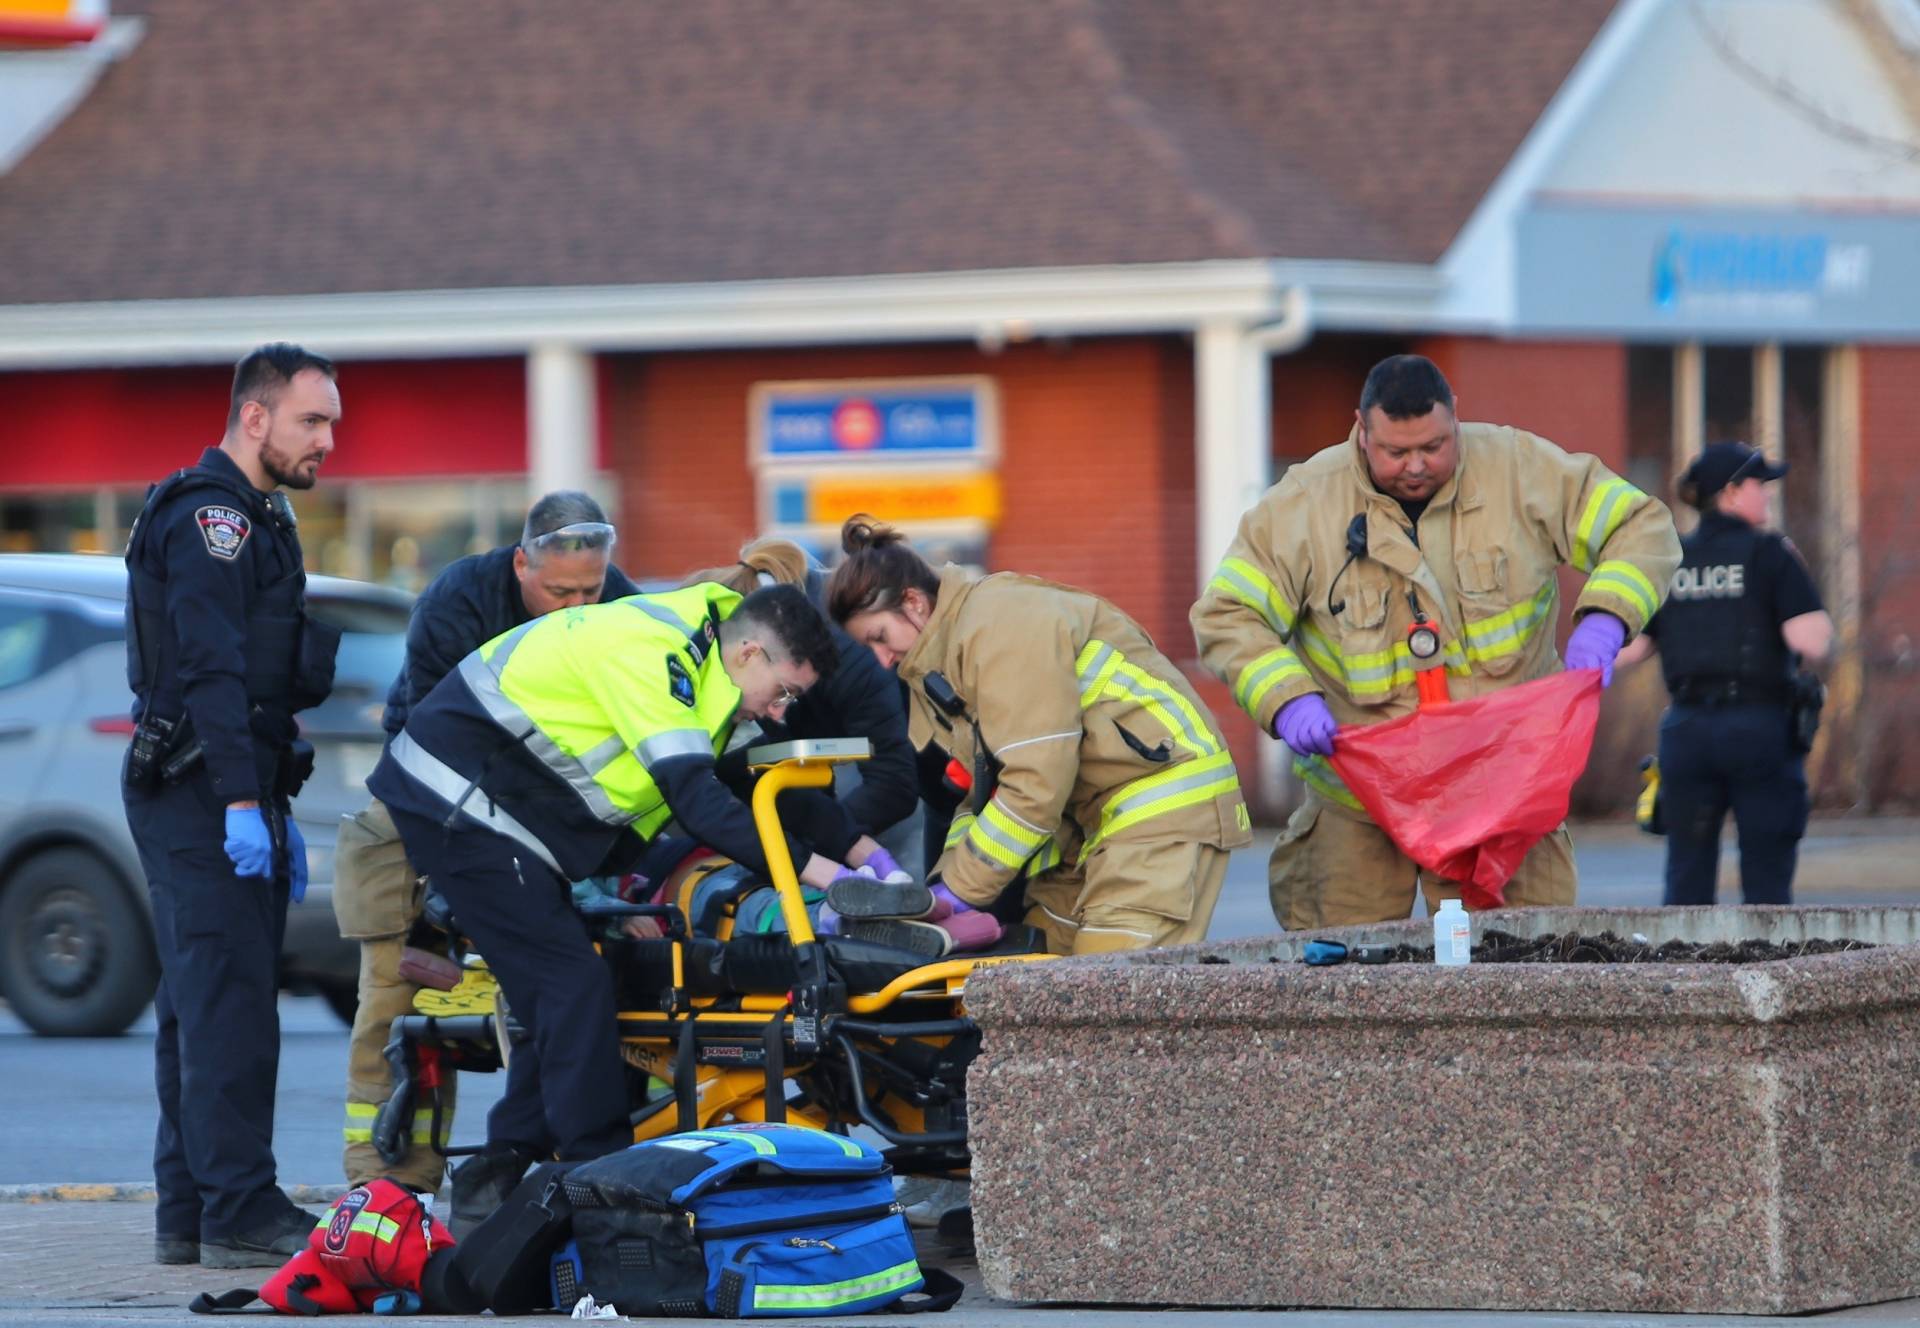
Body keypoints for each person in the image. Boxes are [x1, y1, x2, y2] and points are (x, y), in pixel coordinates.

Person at [362, 584, 842, 1201]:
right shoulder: (653, 654)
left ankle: (503, 1163)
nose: (780, 712)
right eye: (785, 693)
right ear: (751, 653)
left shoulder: (703, 666)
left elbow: (748, 789)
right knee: (571, 986)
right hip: (460, 802)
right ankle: (605, 1180)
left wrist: (861, 857)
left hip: (501, 814)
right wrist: (824, 876)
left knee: (561, 989)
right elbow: (696, 799)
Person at [1192, 354, 1682, 930]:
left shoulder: (1520, 471)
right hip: (1361, 805)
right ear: (1361, 430)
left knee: (1515, 978)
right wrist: (1286, 697)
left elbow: (1641, 525)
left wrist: (1608, 616)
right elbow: (1228, 615)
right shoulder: (1302, 506)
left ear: (1456, 420)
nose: (1417, 466)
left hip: (1502, 799)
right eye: (1396, 452)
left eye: (1435, 446)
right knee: (1343, 986)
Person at [334, 492, 639, 1196]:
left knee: (550, 990)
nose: (575, 609)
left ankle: (508, 1161)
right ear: (521, 561)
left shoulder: (613, 604)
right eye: (559, 591)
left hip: (533, 823)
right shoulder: (460, 600)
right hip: (422, 802)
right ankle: (383, 1193)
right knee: (398, 1001)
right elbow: (438, 743)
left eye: (589, 591)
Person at [121, 343, 343, 1268]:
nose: (328, 440)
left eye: (331, 421)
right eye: (312, 420)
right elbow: (209, 668)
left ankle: (190, 1212)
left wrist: (267, 803)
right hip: (203, 792)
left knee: (197, 1005)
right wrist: (242, 805)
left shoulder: (259, 516)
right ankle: (241, 1209)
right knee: (231, 1010)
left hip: (226, 787)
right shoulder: (210, 519)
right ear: (255, 417)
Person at [827, 515, 1253, 956]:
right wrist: (939, 894)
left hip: (1161, 811)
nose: (882, 660)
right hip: (1089, 827)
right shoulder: (945, 662)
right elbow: (980, 799)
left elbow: (1035, 783)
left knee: (1105, 994)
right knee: (1034, 979)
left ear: (914, 602)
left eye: (880, 637)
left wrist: (959, 892)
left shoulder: (999, 625)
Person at [1615, 442, 1832, 905]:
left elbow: (1630, 650)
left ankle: (1687, 975)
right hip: (1759, 732)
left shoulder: (1673, 556)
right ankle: (1767, 973)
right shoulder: (1770, 554)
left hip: (1687, 733)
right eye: (1761, 485)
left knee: (1687, 880)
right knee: (1766, 881)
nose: (1769, 495)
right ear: (1731, 492)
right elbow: (1810, 639)